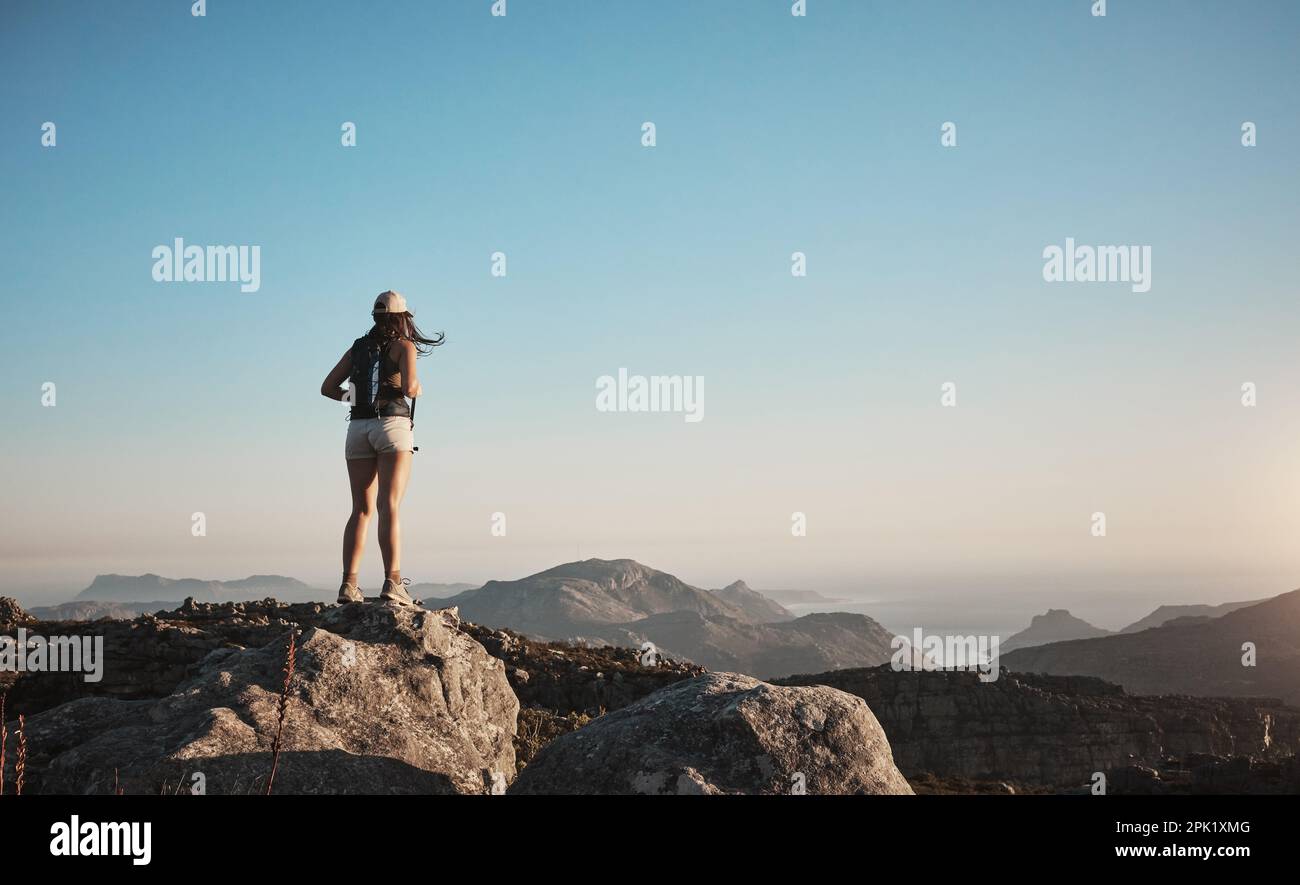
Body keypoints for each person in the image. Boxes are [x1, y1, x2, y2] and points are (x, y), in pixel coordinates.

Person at [320, 291, 443, 604]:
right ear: (402, 317)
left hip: (357, 429)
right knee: (389, 506)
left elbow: (328, 387)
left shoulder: (358, 347)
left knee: (360, 510)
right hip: (392, 426)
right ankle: (393, 582)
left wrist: (357, 399)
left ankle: (348, 585)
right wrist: (417, 387)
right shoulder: (404, 346)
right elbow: (410, 388)